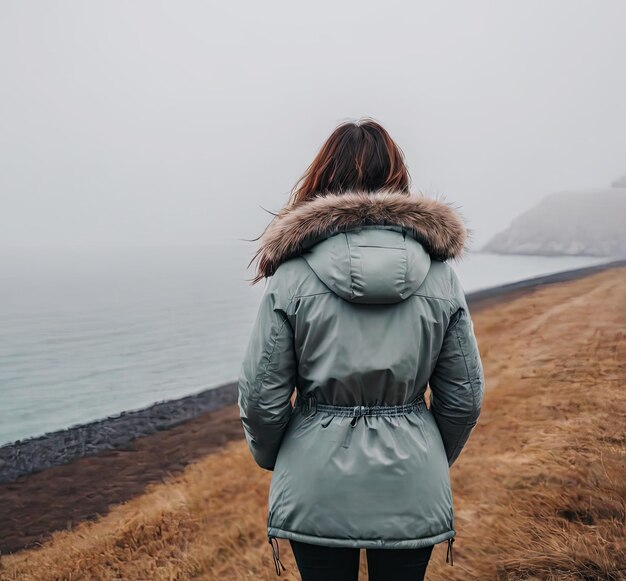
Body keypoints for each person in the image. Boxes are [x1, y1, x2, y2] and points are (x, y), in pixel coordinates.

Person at [238, 118, 485, 580]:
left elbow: (260, 397)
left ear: (322, 180)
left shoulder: (292, 276)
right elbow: (464, 397)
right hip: (411, 481)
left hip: (315, 482)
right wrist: (426, 451)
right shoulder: (440, 276)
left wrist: (280, 456)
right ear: (397, 179)